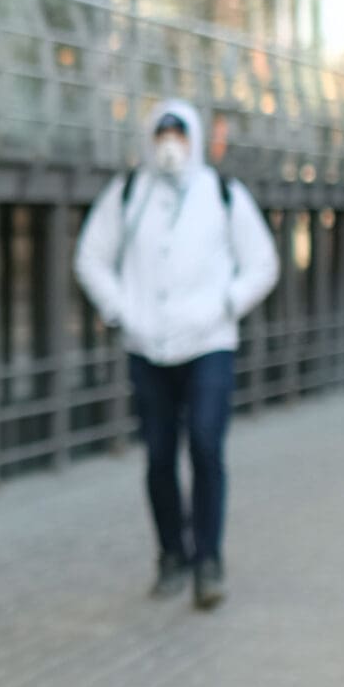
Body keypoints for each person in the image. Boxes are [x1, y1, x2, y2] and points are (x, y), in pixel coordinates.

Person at [74, 99, 278, 611]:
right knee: (160, 456)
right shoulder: (127, 194)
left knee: (206, 447)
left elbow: (262, 264)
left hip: (209, 344)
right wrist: (120, 310)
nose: (170, 144)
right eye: (162, 134)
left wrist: (224, 306)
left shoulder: (224, 194)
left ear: (194, 137)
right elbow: (91, 258)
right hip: (147, 348)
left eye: (179, 134)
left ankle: (208, 559)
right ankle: (171, 555)